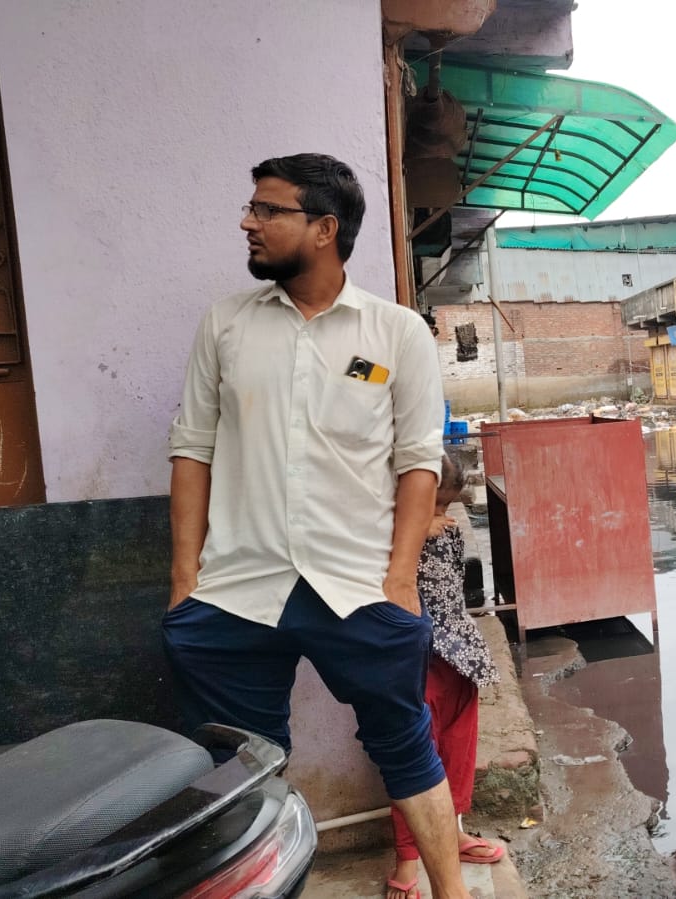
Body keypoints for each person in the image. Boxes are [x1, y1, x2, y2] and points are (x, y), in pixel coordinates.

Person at [162, 153, 470, 899]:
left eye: (268, 210)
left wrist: (399, 580)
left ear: (324, 229)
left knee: (407, 747)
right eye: (252, 207)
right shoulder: (227, 324)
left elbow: (418, 463)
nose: (248, 221)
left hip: (358, 584)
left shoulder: (394, 334)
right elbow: (191, 448)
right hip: (236, 588)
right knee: (242, 765)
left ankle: (451, 894)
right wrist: (184, 581)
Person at [388, 452, 505, 899]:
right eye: (433, 506)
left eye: (447, 507)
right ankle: (407, 857)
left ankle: (453, 834)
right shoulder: (387, 535)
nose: (442, 518)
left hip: (459, 653)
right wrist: (416, 527)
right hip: (414, 656)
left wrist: (428, 523)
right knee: (417, 756)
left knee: (458, 748)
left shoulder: (446, 531)